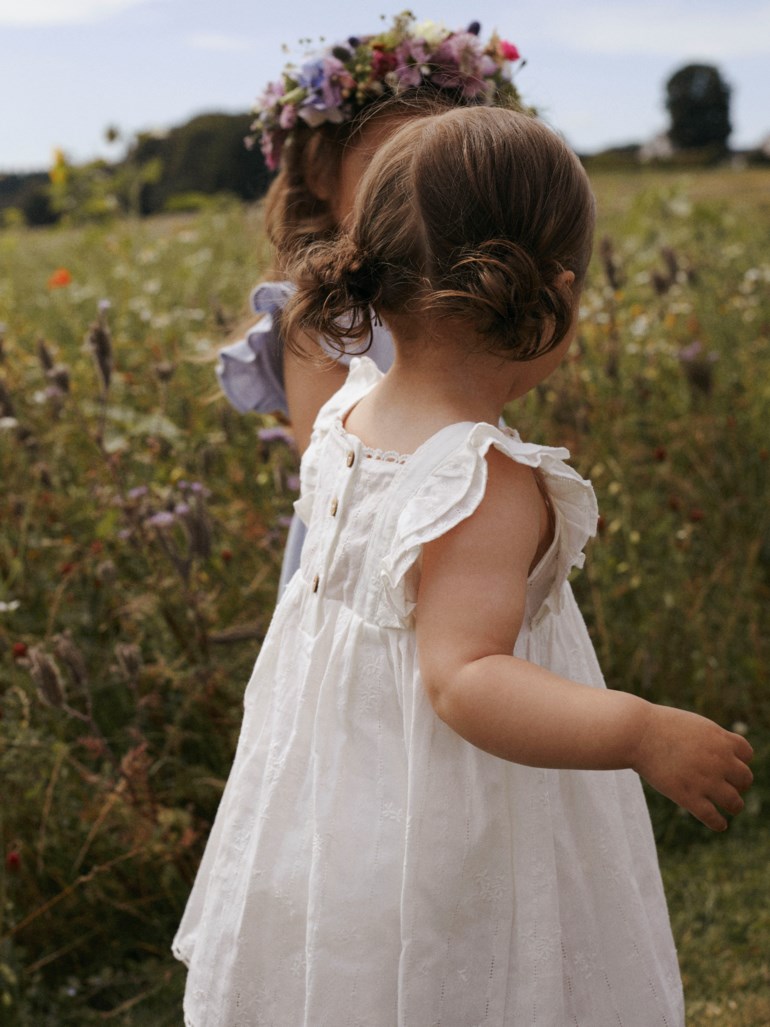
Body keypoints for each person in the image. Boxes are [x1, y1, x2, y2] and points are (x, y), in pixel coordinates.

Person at [173, 105, 753, 1025]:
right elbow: (466, 678)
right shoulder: (482, 480)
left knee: (360, 973)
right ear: (555, 291)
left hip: (341, 800)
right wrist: (639, 731)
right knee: (464, 972)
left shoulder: (345, 419)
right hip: (447, 809)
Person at [216, 13, 526, 593]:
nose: (422, 197)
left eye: (448, 173)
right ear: (322, 175)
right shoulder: (324, 316)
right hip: (364, 568)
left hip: (471, 537)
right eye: (391, 169)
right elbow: (335, 472)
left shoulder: (466, 293)